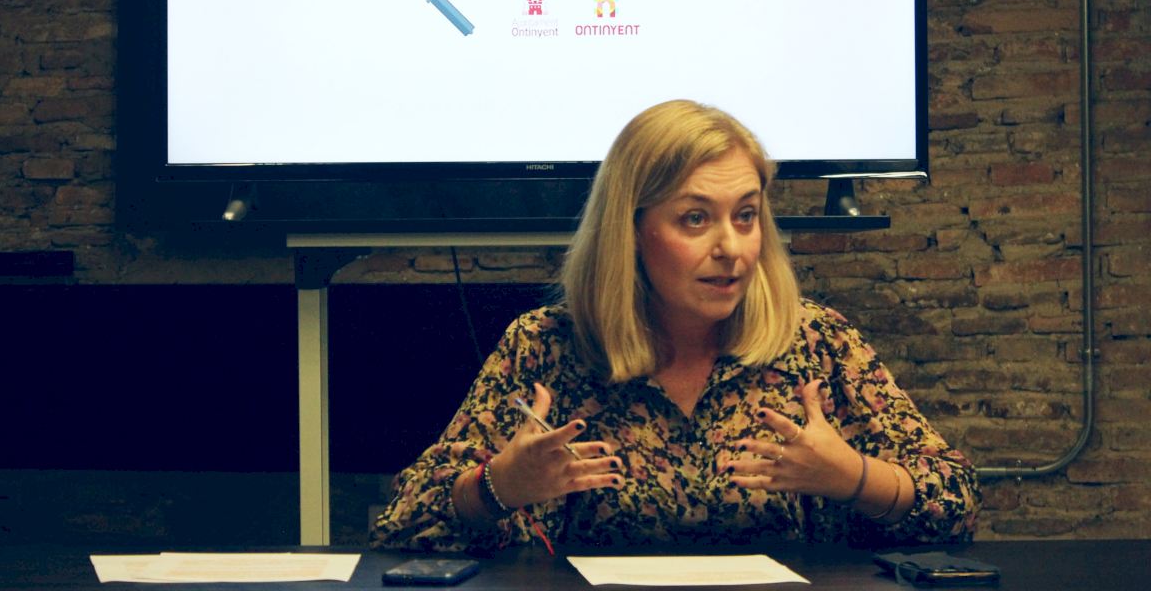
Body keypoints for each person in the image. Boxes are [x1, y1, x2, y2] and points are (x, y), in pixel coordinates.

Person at [370, 100, 979, 552]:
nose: (731, 248)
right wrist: (496, 485)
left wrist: (855, 478)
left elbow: (957, 502)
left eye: (746, 216)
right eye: (695, 219)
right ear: (632, 230)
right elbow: (402, 523)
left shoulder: (816, 341)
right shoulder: (546, 347)